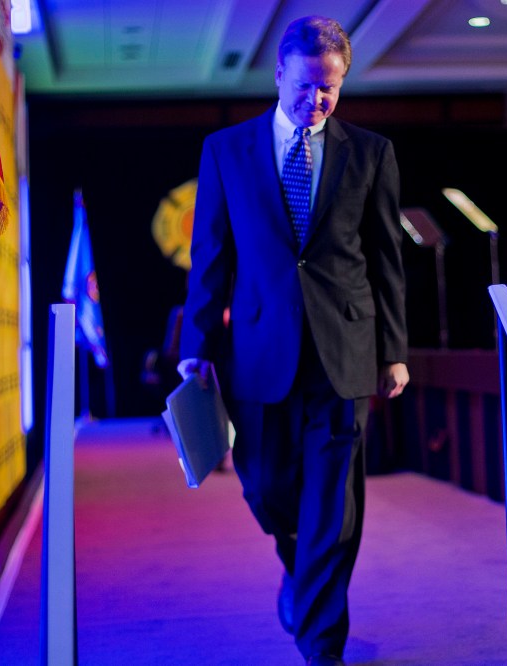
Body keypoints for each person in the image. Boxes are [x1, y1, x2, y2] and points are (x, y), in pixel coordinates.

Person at [176, 16, 409, 666]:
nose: (317, 102)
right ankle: (297, 568)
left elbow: (386, 258)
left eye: (330, 90)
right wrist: (195, 342)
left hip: (346, 353)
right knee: (267, 487)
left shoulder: (371, 152)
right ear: (278, 74)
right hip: (259, 355)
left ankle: (320, 646)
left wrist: (394, 349)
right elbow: (211, 255)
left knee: (334, 507)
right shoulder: (227, 151)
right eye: (306, 87)